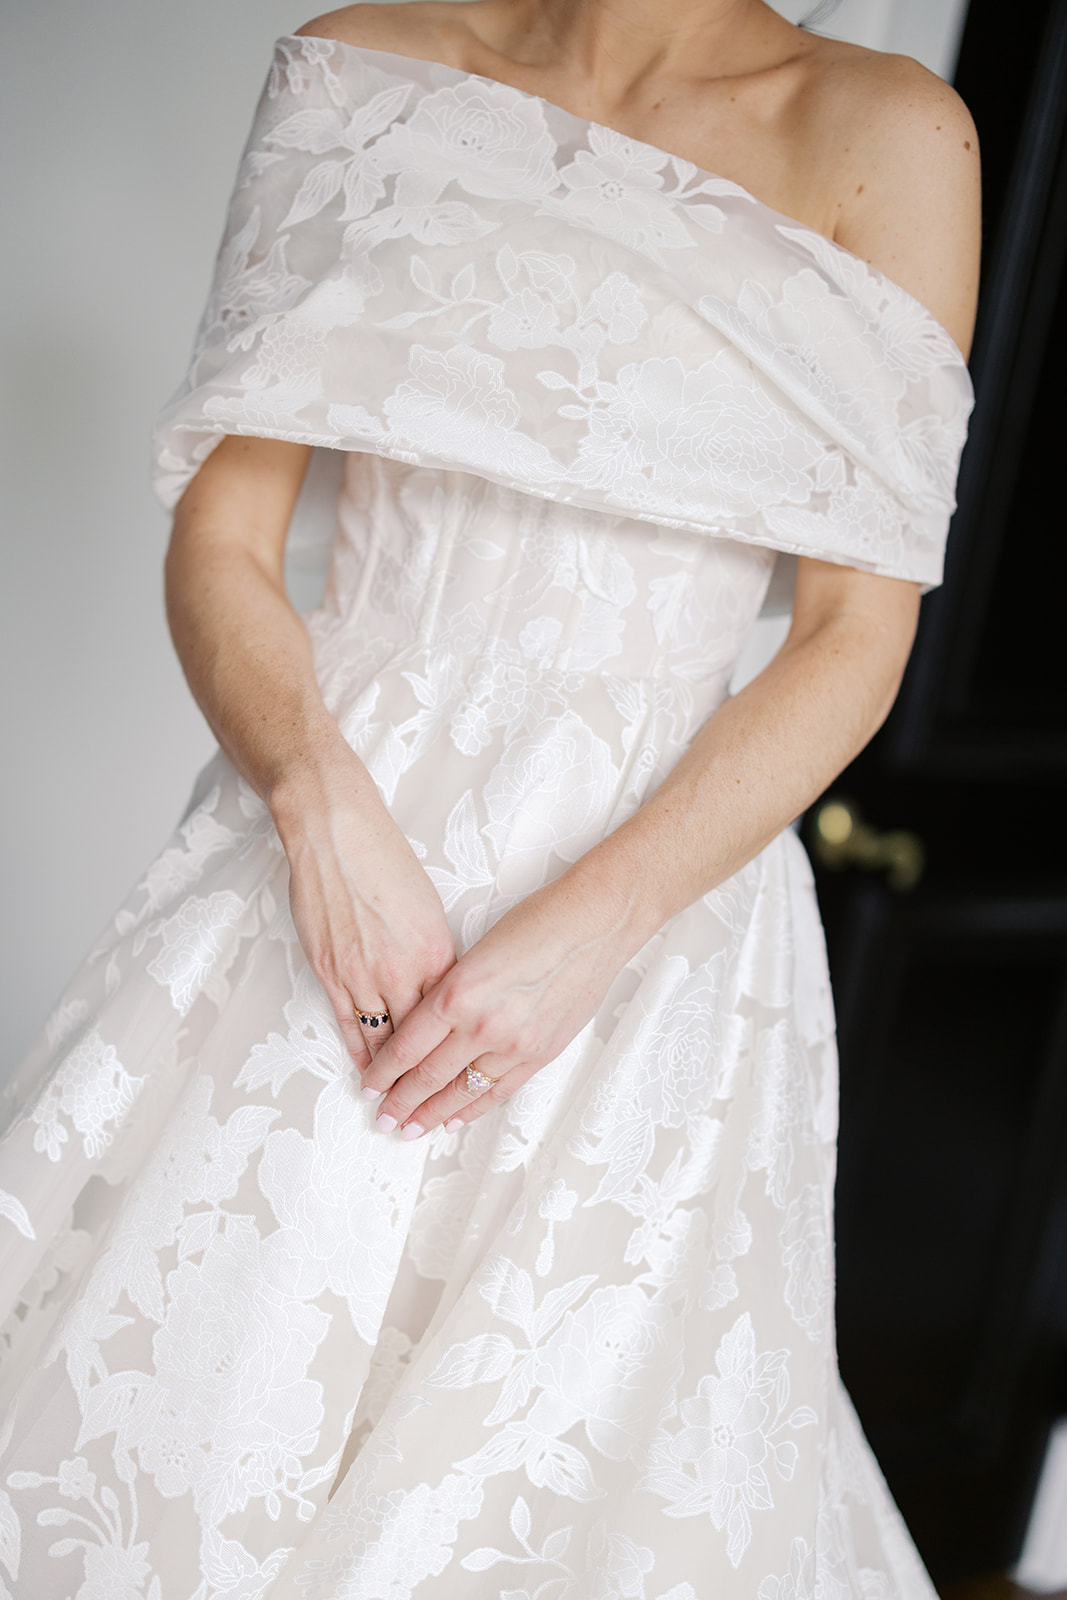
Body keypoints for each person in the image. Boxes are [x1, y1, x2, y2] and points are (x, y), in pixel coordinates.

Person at [0, 1, 979, 1594]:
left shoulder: (886, 134)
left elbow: (855, 640)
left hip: (656, 925)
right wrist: (315, 806)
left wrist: (595, 929)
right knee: (202, 1393)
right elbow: (225, 544)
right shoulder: (365, 67)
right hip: (332, 869)